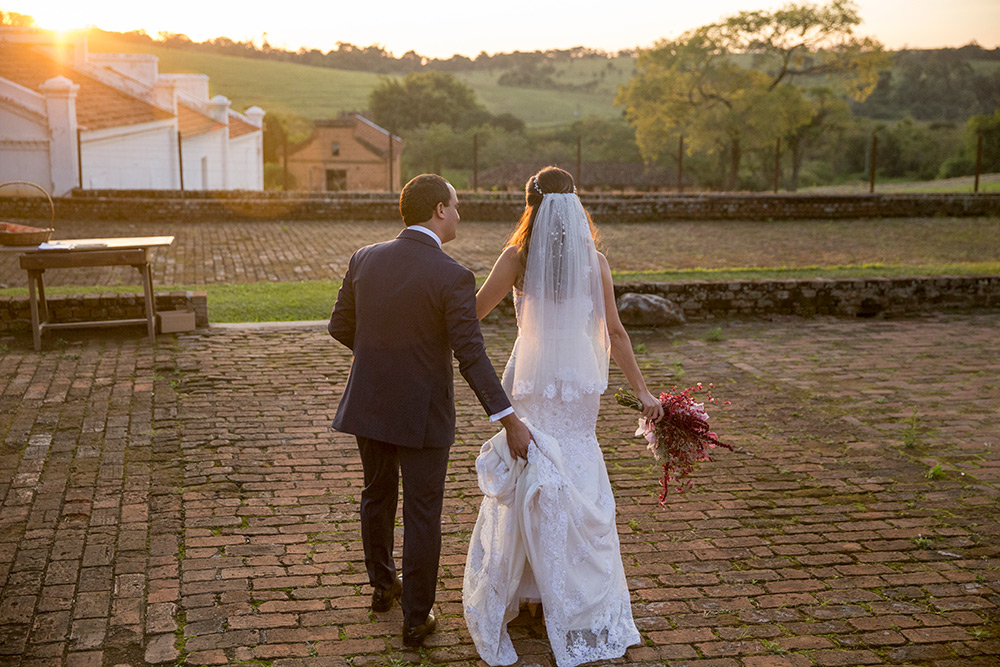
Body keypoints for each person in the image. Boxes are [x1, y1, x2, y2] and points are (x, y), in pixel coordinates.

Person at [462, 166, 663, 667]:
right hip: (577, 385)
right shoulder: (594, 262)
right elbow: (615, 334)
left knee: (534, 475)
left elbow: (472, 312)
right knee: (574, 473)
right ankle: (560, 593)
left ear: (530, 206)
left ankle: (531, 593)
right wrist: (643, 393)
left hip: (531, 379)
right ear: (575, 206)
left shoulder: (517, 258)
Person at [329, 173, 533, 648]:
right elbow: (472, 355)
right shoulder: (453, 275)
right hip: (423, 413)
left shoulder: (365, 258)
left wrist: (382, 357)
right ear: (439, 210)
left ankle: (383, 588)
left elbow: (341, 325)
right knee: (423, 512)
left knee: (376, 495)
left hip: (369, 402)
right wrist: (510, 420)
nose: (459, 215)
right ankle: (415, 619)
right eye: (456, 207)